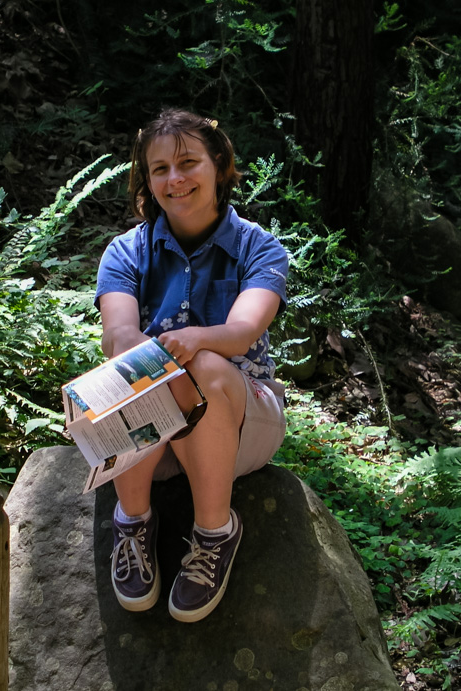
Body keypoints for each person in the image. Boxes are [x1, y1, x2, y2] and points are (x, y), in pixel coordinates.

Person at [94, 108, 289, 623]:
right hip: (156, 428)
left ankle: (214, 534)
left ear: (219, 164)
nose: (175, 179)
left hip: (244, 417)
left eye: (188, 162)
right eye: (160, 169)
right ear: (148, 180)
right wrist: (149, 358)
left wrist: (192, 341)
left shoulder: (258, 247)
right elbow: (119, 333)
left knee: (202, 362)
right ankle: (132, 523)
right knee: (129, 362)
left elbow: (244, 331)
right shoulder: (125, 251)